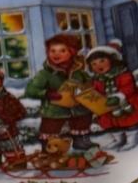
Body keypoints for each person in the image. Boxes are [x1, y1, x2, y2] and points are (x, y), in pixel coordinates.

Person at [24, 32, 101, 162]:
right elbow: (31, 90)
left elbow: (90, 84)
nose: (56, 54)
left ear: (72, 52)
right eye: (52, 51)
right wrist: (47, 93)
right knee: (50, 127)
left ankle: (81, 141)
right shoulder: (45, 74)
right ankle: (49, 148)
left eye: (62, 51)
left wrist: (89, 90)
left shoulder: (79, 72)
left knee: (82, 119)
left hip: (78, 108)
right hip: (54, 110)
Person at [82, 44, 138, 150]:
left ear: (112, 60)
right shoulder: (97, 79)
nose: (98, 65)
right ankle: (119, 139)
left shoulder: (123, 74)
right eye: (94, 64)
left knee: (131, 121)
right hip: (109, 106)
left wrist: (118, 96)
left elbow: (129, 88)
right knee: (112, 124)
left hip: (127, 102)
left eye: (102, 61)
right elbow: (96, 91)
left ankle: (132, 139)